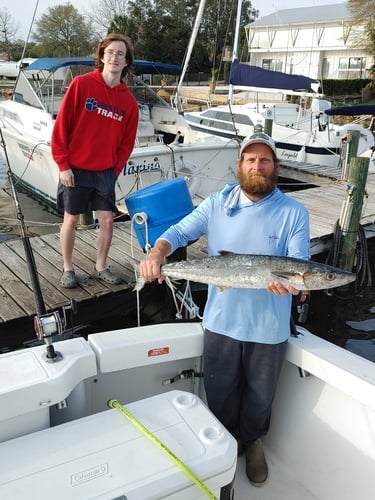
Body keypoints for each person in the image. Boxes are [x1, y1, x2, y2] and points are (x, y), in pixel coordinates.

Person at [139, 132, 310, 487]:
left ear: (275, 167)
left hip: (269, 328)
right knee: (219, 393)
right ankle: (223, 446)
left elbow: (299, 264)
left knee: (261, 397)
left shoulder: (294, 212)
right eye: (251, 160)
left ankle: (254, 440)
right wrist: (158, 253)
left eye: (265, 160)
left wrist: (294, 285)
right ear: (240, 165)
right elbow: (180, 231)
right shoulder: (218, 202)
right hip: (220, 324)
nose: (257, 166)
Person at [52, 33, 139, 288]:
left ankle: (101, 266)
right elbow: (61, 128)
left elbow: (126, 144)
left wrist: (114, 171)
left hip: (104, 172)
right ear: (102, 57)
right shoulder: (81, 85)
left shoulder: (129, 104)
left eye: (120, 54)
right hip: (75, 169)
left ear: (126, 62)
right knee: (70, 220)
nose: (114, 57)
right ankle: (68, 268)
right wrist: (63, 165)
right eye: (110, 52)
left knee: (108, 220)